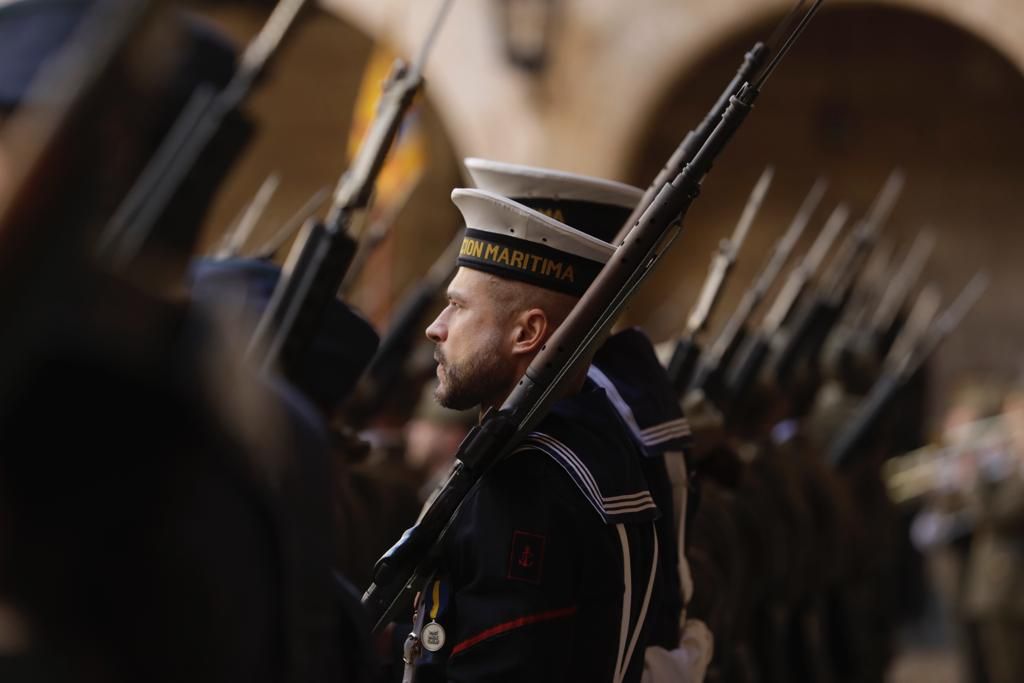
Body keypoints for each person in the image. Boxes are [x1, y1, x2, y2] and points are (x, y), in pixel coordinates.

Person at [405, 187, 663, 682]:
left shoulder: (522, 485)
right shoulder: (587, 440)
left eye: (458, 307)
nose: (436, 328)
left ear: (526, 333)